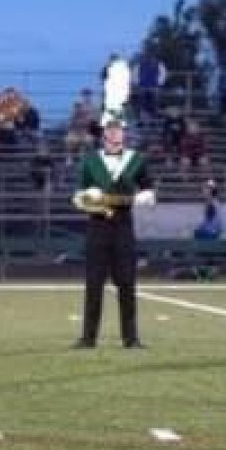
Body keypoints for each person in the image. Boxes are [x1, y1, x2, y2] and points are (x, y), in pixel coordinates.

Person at [73, 110, 155, 349]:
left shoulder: (136, 159)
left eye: (117, 128)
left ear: (124, 132)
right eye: (109, 128)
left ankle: (131, 338)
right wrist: (88, 197)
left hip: (123, 225)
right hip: (97, 225)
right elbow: (78, 196)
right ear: (103, 133)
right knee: (93, 283)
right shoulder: (90, 159)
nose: (114, 132)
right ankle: (88, 338)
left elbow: (149, 189)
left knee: (127, 282)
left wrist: (144, 197)